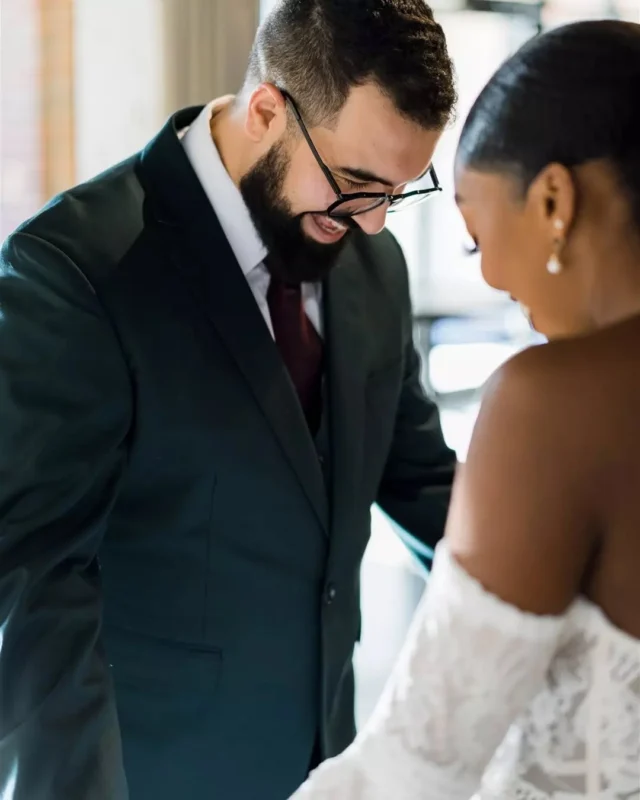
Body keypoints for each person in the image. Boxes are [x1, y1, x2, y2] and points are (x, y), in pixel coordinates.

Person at [0, 2, 458, 799]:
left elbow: (418, 479)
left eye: (398, 190)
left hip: (328, 766)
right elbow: (34, 589)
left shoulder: (371, 266)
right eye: (356, 186)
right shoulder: (74, 274)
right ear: (267, 110)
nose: (376, 225)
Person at [289, 19, 640, 800]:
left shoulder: (550, 402)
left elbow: (412, 769)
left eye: (478, 239)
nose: (489, 282)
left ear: (553, 198)